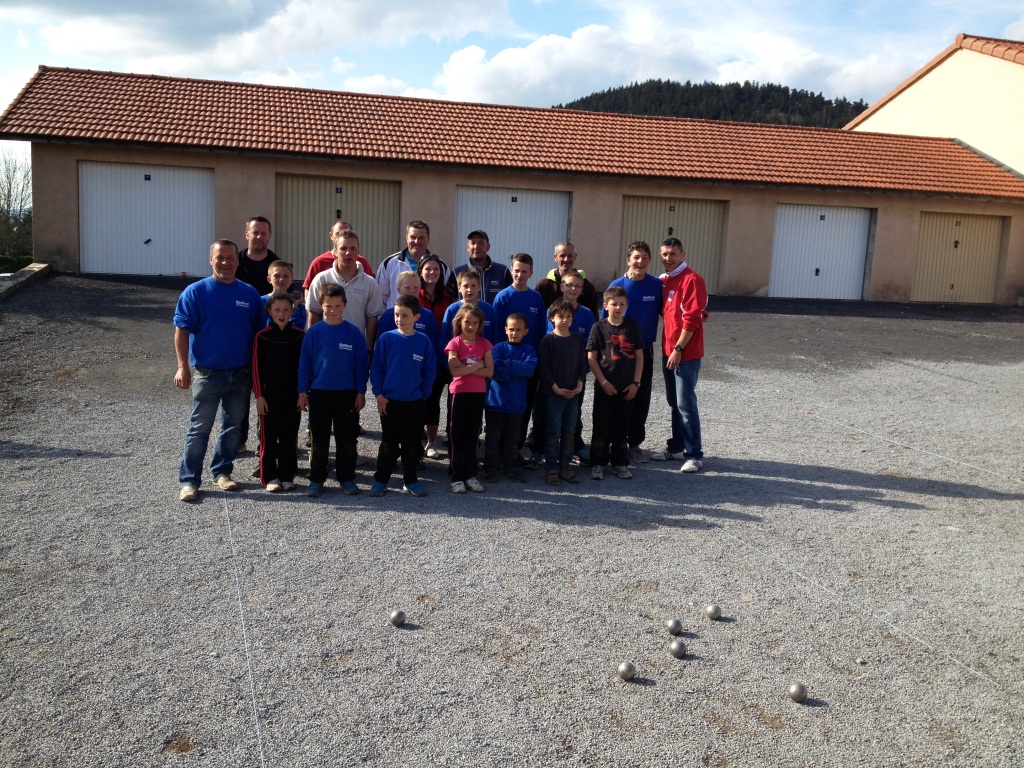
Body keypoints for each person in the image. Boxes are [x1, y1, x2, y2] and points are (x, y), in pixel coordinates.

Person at [174, 239, 264, 501]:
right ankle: (189, 480)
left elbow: (259, 334)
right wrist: (183, 367)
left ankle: (222, 472)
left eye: (230, 258)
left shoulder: (249, 294)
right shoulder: (195, 292)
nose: (225, 262)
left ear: (237, 261)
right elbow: (181, 332)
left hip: (240, 374)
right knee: (199, 428)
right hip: (207, 374)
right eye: (219, 258)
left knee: (232, 427)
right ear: (211, 260)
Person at [298, 283, 369, 496]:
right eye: (328, 306)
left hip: (347, 394)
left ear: (344, 306)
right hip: (319, 393)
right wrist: (302, 392)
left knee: (346, 438)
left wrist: (360, 391)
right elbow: (305, 364)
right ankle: (317, 479)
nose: (333, 310)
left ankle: (346, 477)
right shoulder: (314, 333)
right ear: (321, 306)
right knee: (319, 439)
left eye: (337, 305)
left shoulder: (354, 333)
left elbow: (360, 364)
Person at [369, 294, 437, 497]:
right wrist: (379, 394)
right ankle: (381, 480)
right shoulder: (386, 339)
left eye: (405, 315)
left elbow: (429, 370)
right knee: (388, 443)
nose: (400, 319)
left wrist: (423, 395)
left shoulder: (423, 342)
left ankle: (411, 480)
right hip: (389, 402)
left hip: (414, 402)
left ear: (416, 317)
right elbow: (377, 369)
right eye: (397, 315)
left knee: (410, 444)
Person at [651, 237, 708, 473]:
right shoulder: (665, 281)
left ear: (682, 255)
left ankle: (694, 454)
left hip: (685, 354)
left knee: (685, 404)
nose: (668, 258)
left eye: (673, 254)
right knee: (674, 402)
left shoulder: (692, 280)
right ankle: (676, 447)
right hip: (669, 352)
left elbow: (693, 318)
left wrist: (678, 349)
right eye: (664, 254)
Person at [606, 240, 663, 463]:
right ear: (628, 260)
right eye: (636, 257)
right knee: (615, 395)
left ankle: (635, 443)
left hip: (644, 351)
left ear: (649, 261)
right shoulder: (617, 286)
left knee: (639, 396)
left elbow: (673, 308)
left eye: (645, 258)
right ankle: (612, 441)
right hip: (618, 350)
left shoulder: (657, 286)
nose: (640, 262)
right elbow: (605, 321)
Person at [587, 286, 644, 480]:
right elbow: (591, 358)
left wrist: (636, 383)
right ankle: (597, 463)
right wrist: (603, 382)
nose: (618, 307)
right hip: (605, 387)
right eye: (614, 304)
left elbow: (639, 356)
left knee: (622, 427)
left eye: (622, 304)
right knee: (601, 426)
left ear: (626, 305)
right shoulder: (599, 328)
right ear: (605, 305)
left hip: (627, 387)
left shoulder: (632, 327)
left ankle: (620, 463)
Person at [492, 253, 547, 450]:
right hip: (505, 365)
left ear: (531, 273)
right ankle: (496, 450)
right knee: (501, 409)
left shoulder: (536, 298)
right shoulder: (503, 297)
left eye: (524, 271)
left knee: (523, 407)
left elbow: (541, 329)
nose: (520, 275)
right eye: (516, 271)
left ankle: (515, 450)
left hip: (527, 365)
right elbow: (498, 331)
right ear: (511, 271)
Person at [252, 291, 304, 492]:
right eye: (277, 310)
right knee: (269, 436)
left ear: (292, 310)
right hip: (269, 395)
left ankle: (287, 474)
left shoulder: (299, 335)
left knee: (289, 435)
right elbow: (256, 369)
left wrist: (302, 394)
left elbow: (304, 368)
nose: (281, 313)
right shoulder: (262, 337)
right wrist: (259, 396)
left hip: (292, 395)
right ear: (269, 311)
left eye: (285, 309)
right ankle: (270, 476)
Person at [306, 230, 384, 352]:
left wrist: (369, 350)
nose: (348, 253)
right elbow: (314, 313)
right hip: (325, 347)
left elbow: (372, 319)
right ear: (335, 252)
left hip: (355, 349)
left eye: (353, 248)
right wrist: (312, 347)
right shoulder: (321, 279)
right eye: (343, 248)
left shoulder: (370, 283)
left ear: (358, 251)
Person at [537, 298, 587, 486]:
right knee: (553, 431)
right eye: (560, 316)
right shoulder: (548, 340)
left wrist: (580, 385)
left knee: (569, 431)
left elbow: (583, 364)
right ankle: (551, 467)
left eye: (568, 316)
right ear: (551, 318)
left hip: (573, 394)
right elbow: (544, 367)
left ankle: (565, 466)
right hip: (553, 394)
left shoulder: (577, 339)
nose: (564, 320)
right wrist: (555, 388)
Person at [444, 304, 494, 493]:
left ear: (480, 324)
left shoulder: (485, 344)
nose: (471, 326)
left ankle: (470, 474)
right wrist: (477, 365)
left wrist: (466, 367)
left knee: (472, 435)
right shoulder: (454, 344)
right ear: (460, 322)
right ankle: (456, 476)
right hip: (459, 394)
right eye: (467, 322)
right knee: (456, 434)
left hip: (477, 394)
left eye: (475, 323)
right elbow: (454, 371)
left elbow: (489, 371)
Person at [483, 313, 537, 484]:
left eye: (518, 330)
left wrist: (508, 364)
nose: (514, 333)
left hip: (516, 405)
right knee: (492, 440)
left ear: (525, 331)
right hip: (495, 404)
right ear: (506, 330)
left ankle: (511, 468)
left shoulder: (529, 350)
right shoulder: (498, 348)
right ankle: (490, 469)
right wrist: (515, 371)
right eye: (511, 329)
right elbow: (495, 371)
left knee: (512, 441)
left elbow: (529, 369)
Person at [417, 254, 457, 458]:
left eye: (436, 269)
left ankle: (433, 442)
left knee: (439, 401)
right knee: (422, 399)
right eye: (428, 269)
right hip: (419, 359)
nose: (432, 273)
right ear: (421, 272)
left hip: (443, 358)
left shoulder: (450, 297)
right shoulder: (415, 295)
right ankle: (416, 440)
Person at [377, 220, 456, 308]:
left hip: (429, 320)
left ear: (428, 239)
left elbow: (448, 297)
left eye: (421, 238)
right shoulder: (389, 264)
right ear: (407, 238)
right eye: (413, 237)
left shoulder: (441, 267)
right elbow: (380, 299)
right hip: (397, 320)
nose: (416, 241)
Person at [302, 221, 375, 302]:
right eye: (338, 233)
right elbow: (309, 289)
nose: (343, 236)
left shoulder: (363, 263)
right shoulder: (319, 262)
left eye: (347, 233)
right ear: (331, 235)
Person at [535, 241, 599, 315]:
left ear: (575, 257)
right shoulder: (544, 285)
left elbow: (593, 317)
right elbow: (537, 315)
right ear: (555, 258)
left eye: (570, 256)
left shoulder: (587, 286)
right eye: (562, 256)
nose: (566, 259)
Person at [453, 230, 512, 304]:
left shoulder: (503, 272)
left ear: (488, 247)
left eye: (481, 243)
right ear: (467, 247)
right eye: (473, 243)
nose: (476, 247)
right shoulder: (456, 273)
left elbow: (510, 300)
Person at [236, 216, 277, 293]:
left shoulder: (278, 266)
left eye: (263, 233)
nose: (259, 237)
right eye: (255, 232)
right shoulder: (234, 264)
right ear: (247, 235)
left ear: (269, 236)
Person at [263, 260, 307, 330]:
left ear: (291, 280)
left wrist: (294, 307)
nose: (281, 279)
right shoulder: (261, 301)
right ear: (269, 279)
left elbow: (298, 328)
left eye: (285, 276)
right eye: (277, 276)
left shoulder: (298, 305)